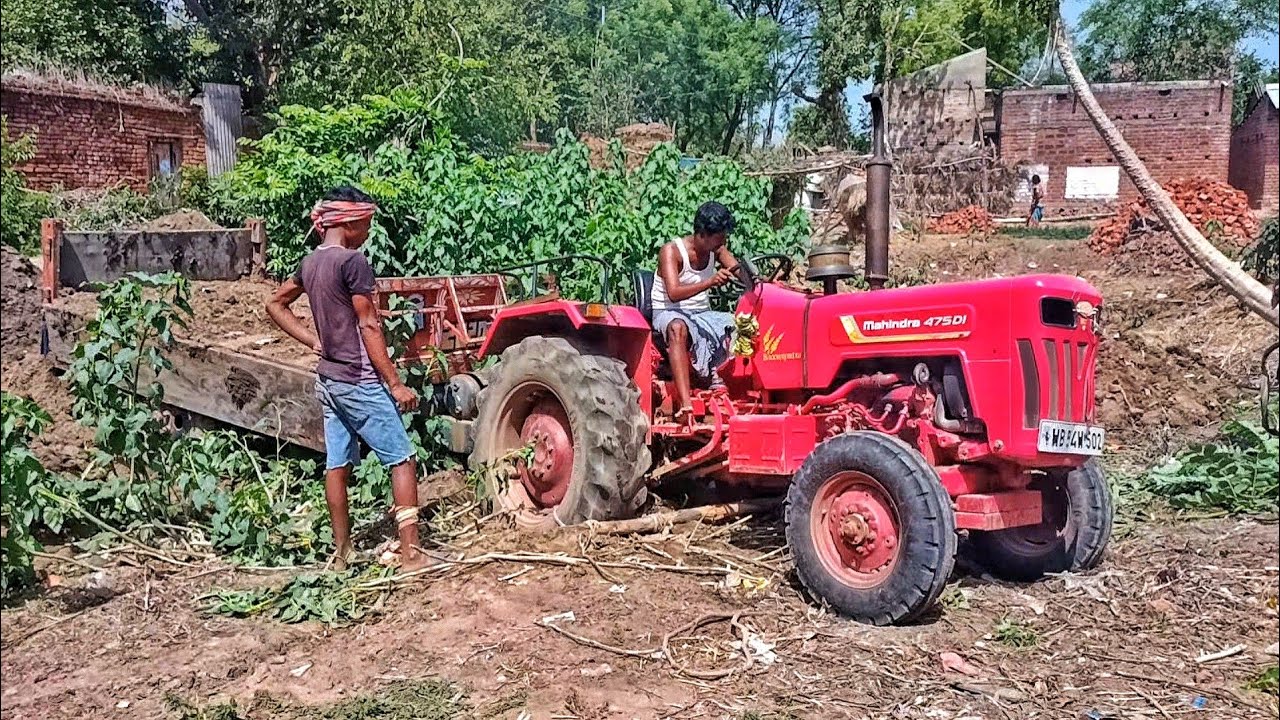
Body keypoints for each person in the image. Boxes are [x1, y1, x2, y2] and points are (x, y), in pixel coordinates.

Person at [266, 185, 426, 572]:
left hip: (329, 380)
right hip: (359, 380)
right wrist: (395, 383)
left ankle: (341, 554)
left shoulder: (311, 263)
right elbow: (369, 324)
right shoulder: (352, 262)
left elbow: (274, 302)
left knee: (337, 464)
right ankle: (412, 555)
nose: (370, 231)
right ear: (350, 222)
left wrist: (314, 342)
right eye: (367, 224)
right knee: (402, 459)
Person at [651, 201, 741, 423]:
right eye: (719, 237)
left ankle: (724, 381)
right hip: (669, 311)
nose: (723, 242)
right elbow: (673, 293)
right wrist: (710, 282)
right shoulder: (671, 252)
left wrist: (760, 283)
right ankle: (686, 405)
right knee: (677, 328)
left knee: (741, 322)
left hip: (702, 314)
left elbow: (739, 271)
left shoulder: (716, 250)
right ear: (702, 234)